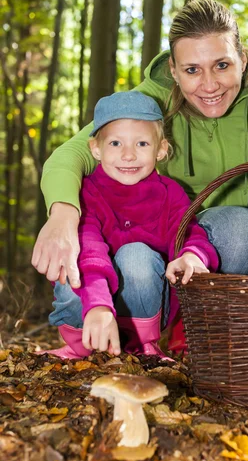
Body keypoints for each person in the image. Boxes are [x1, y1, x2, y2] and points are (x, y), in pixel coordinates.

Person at [32, 0, 248, 353]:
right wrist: (63, 214)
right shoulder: (151, 102)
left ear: (241, 60)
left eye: (221, 65)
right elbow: (71, 154)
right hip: (184, 243)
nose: (210, 85)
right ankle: (193, 324)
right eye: (192, 70)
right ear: (173, 69)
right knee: (238, 228)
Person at [38, 90, 218, 359]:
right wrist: (98, 306)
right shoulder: (87, 193)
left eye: (142, 144)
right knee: (70, 255)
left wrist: (192, 254)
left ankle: (142, 344)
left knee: (135, 254)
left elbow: (190, 232)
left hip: (145, 309)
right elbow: (89, 251)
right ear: (95, 149)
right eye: (115, 144)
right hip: (89, 310)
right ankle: (79, 343)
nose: (129, 155)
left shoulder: (170, 193)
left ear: (161, 150)